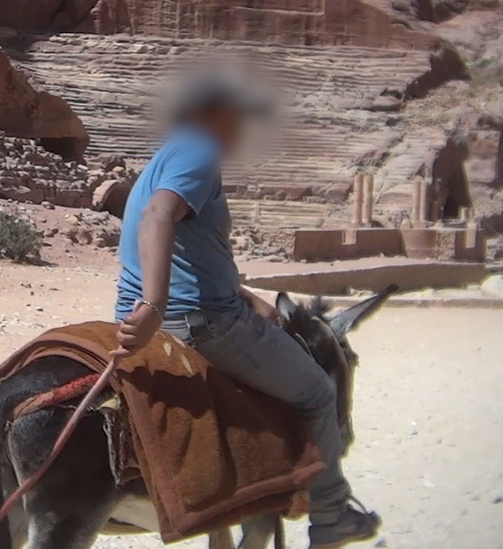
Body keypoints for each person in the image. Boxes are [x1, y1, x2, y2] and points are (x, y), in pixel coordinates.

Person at [113, 70, 381, 548]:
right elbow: (158, 216)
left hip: (190, 307)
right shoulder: (199, 152)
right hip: (202, 322)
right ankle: (331, 515)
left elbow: (191, 253)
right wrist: (154, 305)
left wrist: (249, 297)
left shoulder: (165, 158)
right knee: (318, 391)